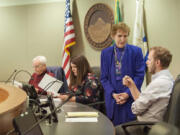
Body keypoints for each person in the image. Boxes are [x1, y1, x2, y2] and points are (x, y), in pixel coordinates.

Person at [117, 46, 174, 135]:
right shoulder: (168, 79)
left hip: (147, 128)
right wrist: (131, 86)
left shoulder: (158, 84)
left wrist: (136, 104)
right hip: (154, 125)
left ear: (157, 62)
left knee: (116, 130)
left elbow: (136, 109)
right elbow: (142, 101)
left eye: (149, 60)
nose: (146, 62)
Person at [101, 22, 145, 126]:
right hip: (113, 100)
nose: (122, 39)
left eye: (125, 36)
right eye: (119, 36)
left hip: (130, 99)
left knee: (129, 130)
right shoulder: (105, 53)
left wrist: (127, 94)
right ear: (113, 36)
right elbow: (104, 78)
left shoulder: (136, 51)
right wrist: (113, 94)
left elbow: (139, 76)